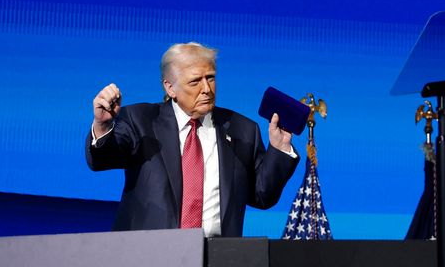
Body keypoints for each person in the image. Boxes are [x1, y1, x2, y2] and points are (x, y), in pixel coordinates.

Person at [87, 42, 298, 237]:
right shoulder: (140, 120)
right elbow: (101, 160)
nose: (206, 89)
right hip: (150, 254)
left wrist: (279, 149)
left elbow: (262, 196)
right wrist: (102, 126)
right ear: (170, 88)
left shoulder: (242, 129)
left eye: (211, 78)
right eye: (195, 81)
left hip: (218, 256)